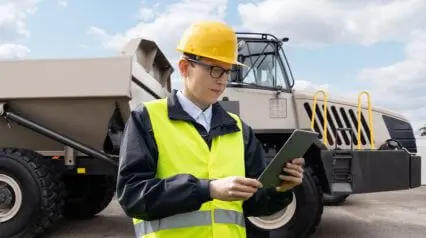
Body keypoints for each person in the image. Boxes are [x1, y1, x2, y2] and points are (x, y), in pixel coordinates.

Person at [116, 20, 305, 238]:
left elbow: (254, 204)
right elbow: (132, 196)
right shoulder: (147, 119)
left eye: (228, 71)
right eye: (215, 69)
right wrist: (209, 189)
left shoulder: (238, 129)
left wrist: (281, 189)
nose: (222, 80)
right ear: (185, 67)